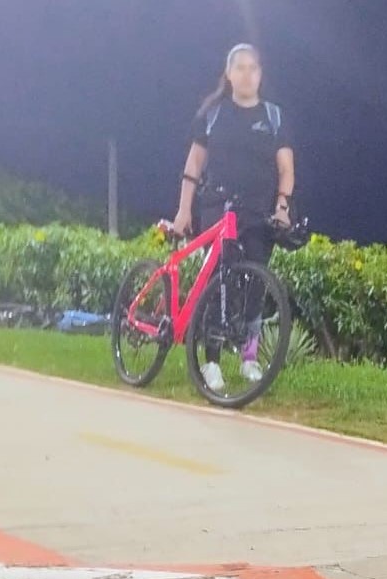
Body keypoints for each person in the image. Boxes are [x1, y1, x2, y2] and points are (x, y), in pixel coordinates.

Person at [171, 43, 295, 388]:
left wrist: (282, 205)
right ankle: (211, 362)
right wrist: (184, 210)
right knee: (218, 283)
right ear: (228, 74)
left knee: (255, 283)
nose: (246, 74)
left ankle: (249, 358)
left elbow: (286, 168)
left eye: (252, 68)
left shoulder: (273, 116)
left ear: (260, 75)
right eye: (239, 67)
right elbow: (194, 164)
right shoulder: (213, 114)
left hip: (259, 212)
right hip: (217, 208)